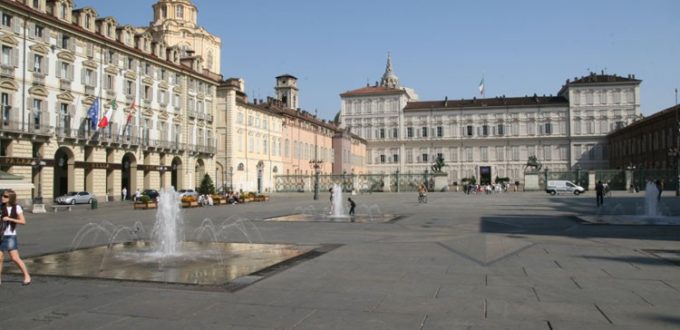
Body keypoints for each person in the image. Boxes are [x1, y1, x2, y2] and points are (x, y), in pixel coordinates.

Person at [0, 189, 31, 285]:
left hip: (10, 235)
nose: (2, 197)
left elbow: (23, 221)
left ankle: (26, 275)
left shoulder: (16, 208)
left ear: (10, 198)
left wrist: (9, 218)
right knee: (0, 257)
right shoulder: (0, 207)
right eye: (2, 196)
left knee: (15, 258)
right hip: (0, 234)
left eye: (5, 196)